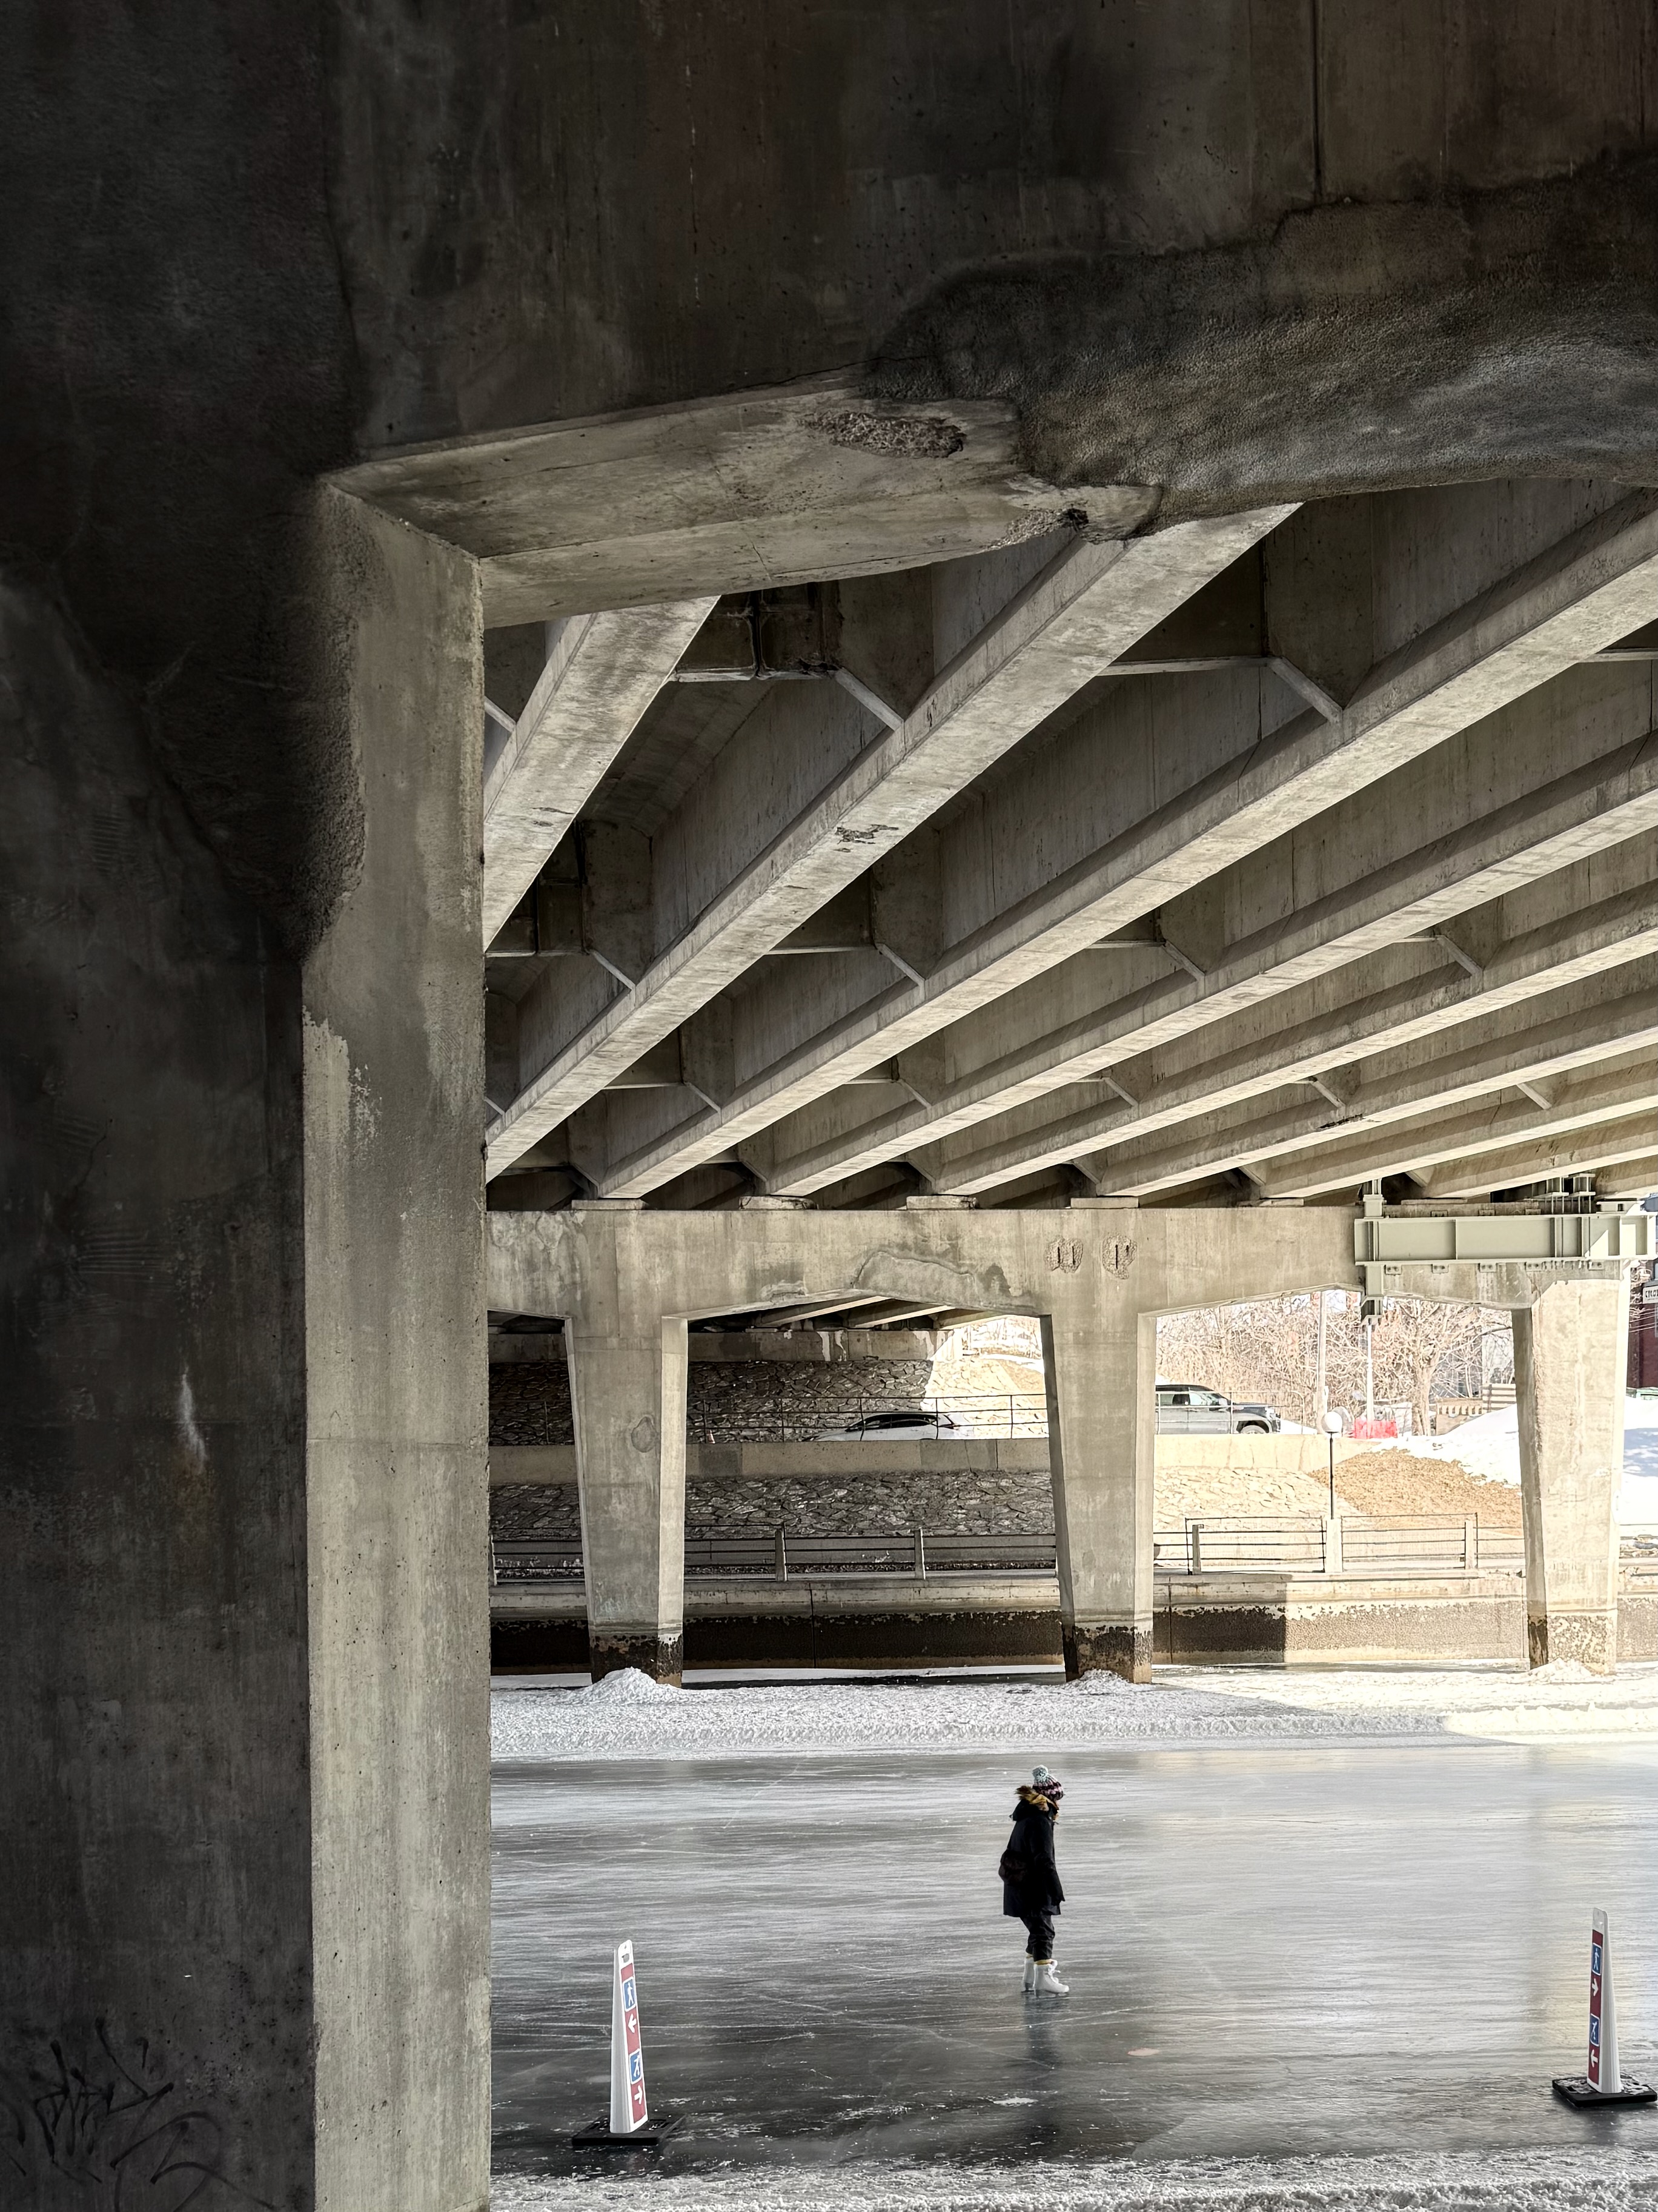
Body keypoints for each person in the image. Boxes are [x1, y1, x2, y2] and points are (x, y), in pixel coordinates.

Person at [1002, 1764, 1068, 1995]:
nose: (1059, 1806)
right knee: (1043, 1932)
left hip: (1019, 1885)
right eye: (1057, 1800)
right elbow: (1044, 1859)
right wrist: (1054, 1889)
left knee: (1037, 1930)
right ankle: (1043, 1979)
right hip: (1032, 1887)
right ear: (1049, 1799)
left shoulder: (1026, 1817)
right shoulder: (1040, 1821)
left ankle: (1030, 1977)